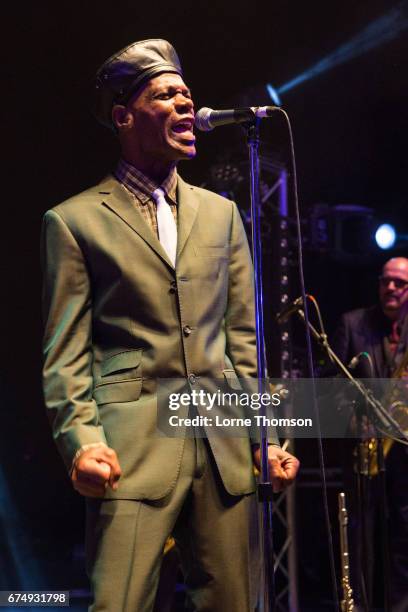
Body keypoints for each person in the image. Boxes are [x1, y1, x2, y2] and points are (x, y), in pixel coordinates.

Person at [41, 39, 299, 611]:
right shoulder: (74, 220)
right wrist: (82, 442)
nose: (186, 105)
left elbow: (242, 343)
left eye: (187, 94)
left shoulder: (221, 213)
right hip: (131, 450)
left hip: (224, 447)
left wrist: (263, 438)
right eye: (165, 95)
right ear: (124, 117)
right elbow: (66, 353)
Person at [332, 257, 408, 612]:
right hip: (366, 448)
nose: (390, 288)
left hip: (404, 456)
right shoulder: (354, 323)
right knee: (363, 538)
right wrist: (355, 413)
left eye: (399, 283)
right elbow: (331, 386)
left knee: (403, 538)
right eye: (385, 281)